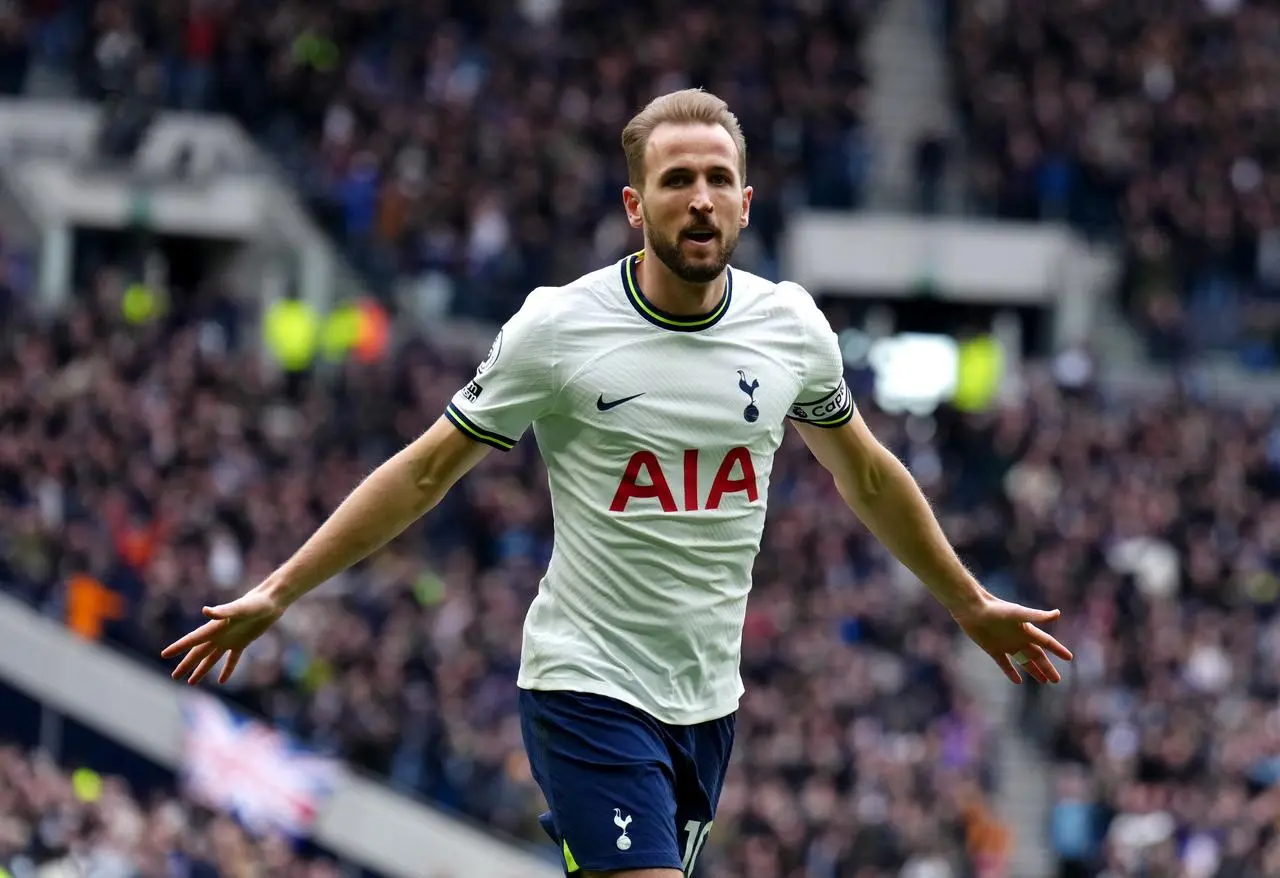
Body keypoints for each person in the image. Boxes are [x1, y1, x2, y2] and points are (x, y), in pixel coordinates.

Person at [162, 89, 1073, 878]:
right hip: (585, 685)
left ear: (747, 203)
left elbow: (868, 476)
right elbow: (426, 470)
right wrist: (281, 589)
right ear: (637, 204)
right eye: (678, 181)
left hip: (708, 701)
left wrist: (968, 603)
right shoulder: (559, 330)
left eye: (718, 180)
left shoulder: (791, 328)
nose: (701, 200)